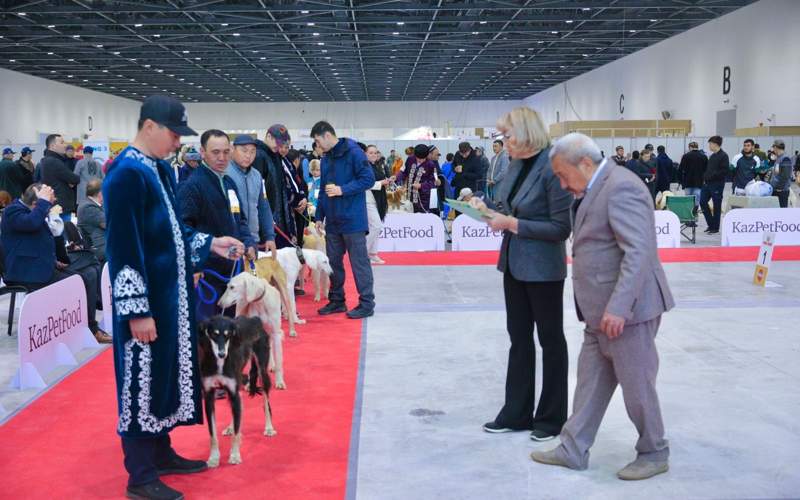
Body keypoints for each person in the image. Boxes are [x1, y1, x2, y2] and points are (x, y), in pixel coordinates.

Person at [103, 95, 245, 500]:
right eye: (173, 133)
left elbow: (172, 235)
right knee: (139, 383)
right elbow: (123, 248)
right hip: (148, 304)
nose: (177, 143)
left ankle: (161, 453)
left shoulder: (160, 171)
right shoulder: (126, 174)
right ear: (149, 126)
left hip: (172, 301)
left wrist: (212, 243)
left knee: (163, 378)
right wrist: (136, 311)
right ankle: (140, 476)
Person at [532, 132, 674, 481]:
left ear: (584, 162)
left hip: (628, 312)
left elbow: (638, 253)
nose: (563, 185)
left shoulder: (621, 187)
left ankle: (654, 452)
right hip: (599, 313)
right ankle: (572, 448)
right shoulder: (594, 187)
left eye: (564, 176)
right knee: (590, 382)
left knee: (637, 384)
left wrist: (619, 308)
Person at [471, 107, 572, 442]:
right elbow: (505, 205)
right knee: (519, 338)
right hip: (514, 263)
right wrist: (483, 208)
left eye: (508, 135)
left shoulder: (554, 166)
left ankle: (552, 417)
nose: (504, 142)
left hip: (543, 268)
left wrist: (511, 224)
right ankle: (516, 412)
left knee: (550, 340)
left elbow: (561, 227)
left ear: (527, 133)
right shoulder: (514, 164)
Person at [1, 183, 110, 343]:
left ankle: (88, 327)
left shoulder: (35, 212)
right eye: (44, 202)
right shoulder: (12, 211)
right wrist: (44, 204)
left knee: (87, 275)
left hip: (42, 265)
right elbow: (31, 223)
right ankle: (87, 329)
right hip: (25, 271)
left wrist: (55, 259)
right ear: (34, 203)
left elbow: (47, 238)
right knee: (80, 282)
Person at [177, 129, 257, 322]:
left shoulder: (228, 182)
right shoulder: (192, 185)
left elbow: (240, 219)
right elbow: (183, 230)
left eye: (226, 152)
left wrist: (248, 242)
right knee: (206, 331)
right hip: (206, 273)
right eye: (215, 152)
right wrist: (194, 266)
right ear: (202, 152)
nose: (222, 157)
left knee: (228, 326)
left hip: (231, 270)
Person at [311, 120, 375, 320]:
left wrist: (342, 190)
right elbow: (322, 190)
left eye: (318, 141)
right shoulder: (325, 158)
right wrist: (319, 216)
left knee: (359, 263)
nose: (317, 146)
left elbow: (368, 179)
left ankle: (366, 303)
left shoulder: (354, 152)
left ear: (327, 136)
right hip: (333, 221)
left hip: (353, 220)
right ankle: (337, 300)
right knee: (333, 263)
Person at [226, 135, 277, 256]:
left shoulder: (257, 176)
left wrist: (270, 236)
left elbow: (264, 206)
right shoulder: (224, 173)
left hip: (254, 241)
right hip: (231, 241)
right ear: (233, 149)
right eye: (244, 150)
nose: (248, 155)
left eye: (252, 152)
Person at [253, 125, 296, 248]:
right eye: (278, 142)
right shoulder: (259, 156)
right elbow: (257, 192)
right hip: (268, 222)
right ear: (268, 136)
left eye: (282, 143)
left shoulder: (275, 156)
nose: (279, 146)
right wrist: (266, 221)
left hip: (280, 220)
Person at [40, 134, 80, 222]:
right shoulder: (54, 162)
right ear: (53, 146)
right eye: (62, 142)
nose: (65, 145)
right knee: (63, 232)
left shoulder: (47, 160)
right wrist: (70, 182)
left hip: (56, 204)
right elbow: (75, 179)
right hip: (60, 206)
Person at [365, 145, 390, 264]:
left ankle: (372, 254)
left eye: (375, 153)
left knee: (374, 227)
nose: (373, 155)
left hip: (377, 200)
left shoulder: (377, 166)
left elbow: (378, 181)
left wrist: (388, 181)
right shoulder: (364, 167)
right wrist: (381, 182)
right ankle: (363, 252)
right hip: (367, 200)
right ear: (365, 154)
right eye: (370, 153)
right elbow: (365, 184)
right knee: (376, 226)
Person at [700, 136, 729, 234]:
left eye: (710, 143)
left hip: (717, 185)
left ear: (715, 144)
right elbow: (708, 170)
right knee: (702, 202)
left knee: (717, 206)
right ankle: (711, 224)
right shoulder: (712, 156)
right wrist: (705, 177)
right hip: (707, 184)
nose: (709, 146)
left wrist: (712, 176)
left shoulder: (724, 156)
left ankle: (715, 227)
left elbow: (724, 171)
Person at [396, 144, 436, 214]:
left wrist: (421, 185)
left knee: (421, 219)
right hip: (409, 196)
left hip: (423, 199)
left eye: (422, 159)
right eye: (418, 158)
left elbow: (433, 182)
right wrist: (397, 177)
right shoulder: (410, 159)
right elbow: (404, 171)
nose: (420, 160)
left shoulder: (431, 165)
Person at [77, 179, 107, 263]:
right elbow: (108, 224)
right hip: (101, 247)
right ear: (101, 194)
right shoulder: (88, 208)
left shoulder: (90, 204)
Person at [678, 142, 707, 210]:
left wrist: (680, 181)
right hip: (699, 181)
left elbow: (680, 169)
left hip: (688, 181)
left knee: (688, 198)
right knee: (697, 197)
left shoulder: (686, 156)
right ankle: (695, 211)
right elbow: (706, 170)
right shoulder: (703, 156)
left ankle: (689, 213)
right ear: (697, 147)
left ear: (690, 147)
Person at [768, 140, 793, 208]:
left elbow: (785, 176)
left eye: (773, 147)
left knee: (781, 213)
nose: (772, 150)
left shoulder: (785, 159)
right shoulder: (778, 158)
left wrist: (779, 187)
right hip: (776, 190)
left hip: (781, 191)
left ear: (776, 147)